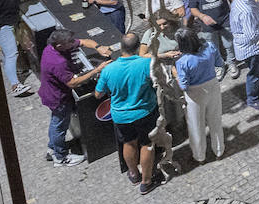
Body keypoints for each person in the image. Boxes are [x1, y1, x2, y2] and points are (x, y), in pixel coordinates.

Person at [94, 32, 160, 194]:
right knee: (147, 144)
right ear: (138, 48)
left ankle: (133, 174)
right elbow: (157, 82)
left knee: (128, 143)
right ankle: (146, 181)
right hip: (144, 112)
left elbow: (98, 94)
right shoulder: (146, 63)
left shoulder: (109, 69)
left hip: (121, 116)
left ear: (121, 47)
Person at [38, 28, 111, 164]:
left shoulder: (52, 47)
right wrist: (97, 70)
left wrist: (98, 47)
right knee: (59, 125)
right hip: (57, 98)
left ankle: (52, 147)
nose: (73, 43)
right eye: (69, 42)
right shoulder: (57, 61)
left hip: (52, 93)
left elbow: (83, 42)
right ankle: (60, 157)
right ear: (60, 45)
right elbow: (72, 82)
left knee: (56, 123)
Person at [172, 26, 225, 162]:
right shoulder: (210, 46)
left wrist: (176, 74)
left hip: (195, 93)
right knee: (215, 120)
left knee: (196, 125)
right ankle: (219, 150)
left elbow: (184, 85)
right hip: (212, 85)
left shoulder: (182, 61)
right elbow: (219, 63)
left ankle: (199, 156)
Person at [187, 0, 237, 80]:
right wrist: (202, 16)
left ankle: (231, 63)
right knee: (212, 47)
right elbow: (193, 9)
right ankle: (219, 66)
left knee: (229, 44)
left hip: (224, 20)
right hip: (207, 25)